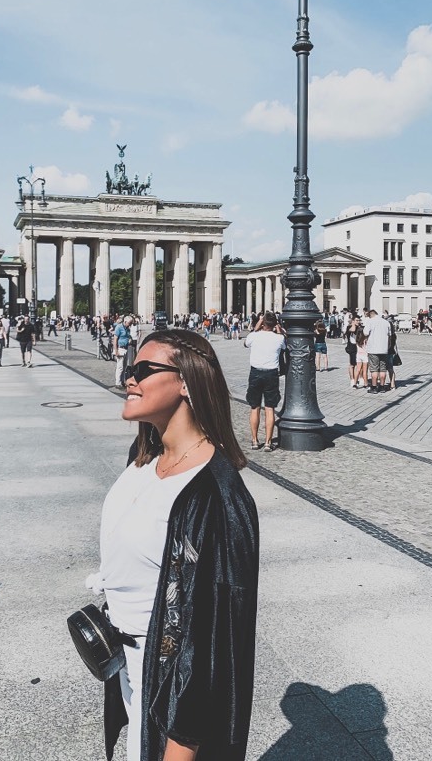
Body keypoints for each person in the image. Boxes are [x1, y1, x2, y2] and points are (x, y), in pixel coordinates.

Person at [88, 329, 259, 761]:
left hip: (168, 684)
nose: (129, 377)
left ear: (186, 381)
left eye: (143, 370)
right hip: (126, 666)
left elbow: (214, 641)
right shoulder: (145, 455)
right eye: (130, 368)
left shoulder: (217, 495)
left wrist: (180, 750)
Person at [243, 311, 286, 451]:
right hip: (271, 374)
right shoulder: (279, 339)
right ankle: (268, 442)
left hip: (255, 373)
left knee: (254, 407)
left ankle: (255, 441)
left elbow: (246, 343)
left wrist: (257, 325)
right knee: (270, 409)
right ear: (274, 324)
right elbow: (284, 344)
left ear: (263, 323)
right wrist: (278, 329)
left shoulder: (254, 336)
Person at [363, 310, 391, 394]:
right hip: (384, 348)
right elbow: (390, 335)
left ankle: (374, 387)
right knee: (383, 369)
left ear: (371, 315)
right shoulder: (386, 322)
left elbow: (365, 333)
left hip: (373, 349)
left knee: (374, 369)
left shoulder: (370, 321)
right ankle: (382, 387)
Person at [113, 316, 131, 388]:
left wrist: (130, 339)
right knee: (120, 367)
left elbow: (128, 336)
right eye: (129, 323)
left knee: (124, 366)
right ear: (125, 322)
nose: (130, 325)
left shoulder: (127, 328)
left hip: (126, 348)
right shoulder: (119, 327)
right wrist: (116, 350)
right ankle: (117, 383)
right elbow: (115, 339)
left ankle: (122, 381)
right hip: (120, 348)